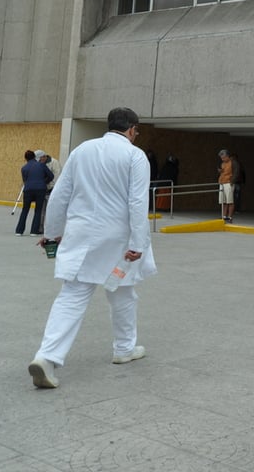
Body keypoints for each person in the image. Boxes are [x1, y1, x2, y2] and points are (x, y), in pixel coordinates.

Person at [27, 107, 155, 389]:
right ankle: (123, 348)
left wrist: (51, 234)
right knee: (122, 291)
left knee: (72, 295)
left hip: (81, 234)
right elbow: (137, 202)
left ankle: (47, 357)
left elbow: (60, 194)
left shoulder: (83, 150)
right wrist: (138, 243)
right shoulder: (135, 155)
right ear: (132, 129)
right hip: (117, 240)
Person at [16, 150, 53, 236]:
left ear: (25, 158)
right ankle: (34, 231)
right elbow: (51, 176)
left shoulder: (24, 168)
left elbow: (25, 180)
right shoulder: (42, 165)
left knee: (25, 210)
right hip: (40, 189)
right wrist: (44, 182)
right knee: (38, 210)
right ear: (34, 157)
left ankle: (19, 230)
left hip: (28, 189)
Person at [35, 150, 61, 230]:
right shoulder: (40, 164)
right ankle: (40, 227)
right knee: (41, 210)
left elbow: (57, 177)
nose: (38, 161)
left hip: (52, 189)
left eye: (39, 159)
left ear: (44, 156)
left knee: (50, 211)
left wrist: (51, 187)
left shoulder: (54, 162)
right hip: (42, 189)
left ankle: (50, 228)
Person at [217, 149, 235, 223]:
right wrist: (220, 171)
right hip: (222, 182)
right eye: (221, 158)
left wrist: (232, 181)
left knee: (230, 201)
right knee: (223, 201)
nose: (222, 159)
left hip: (228, 182)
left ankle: (230, 217)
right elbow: (223, 172)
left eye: (223, 158)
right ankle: (224, 216)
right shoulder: (223, 163)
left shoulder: (233, 163)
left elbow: (236, 172)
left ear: (227, 156)